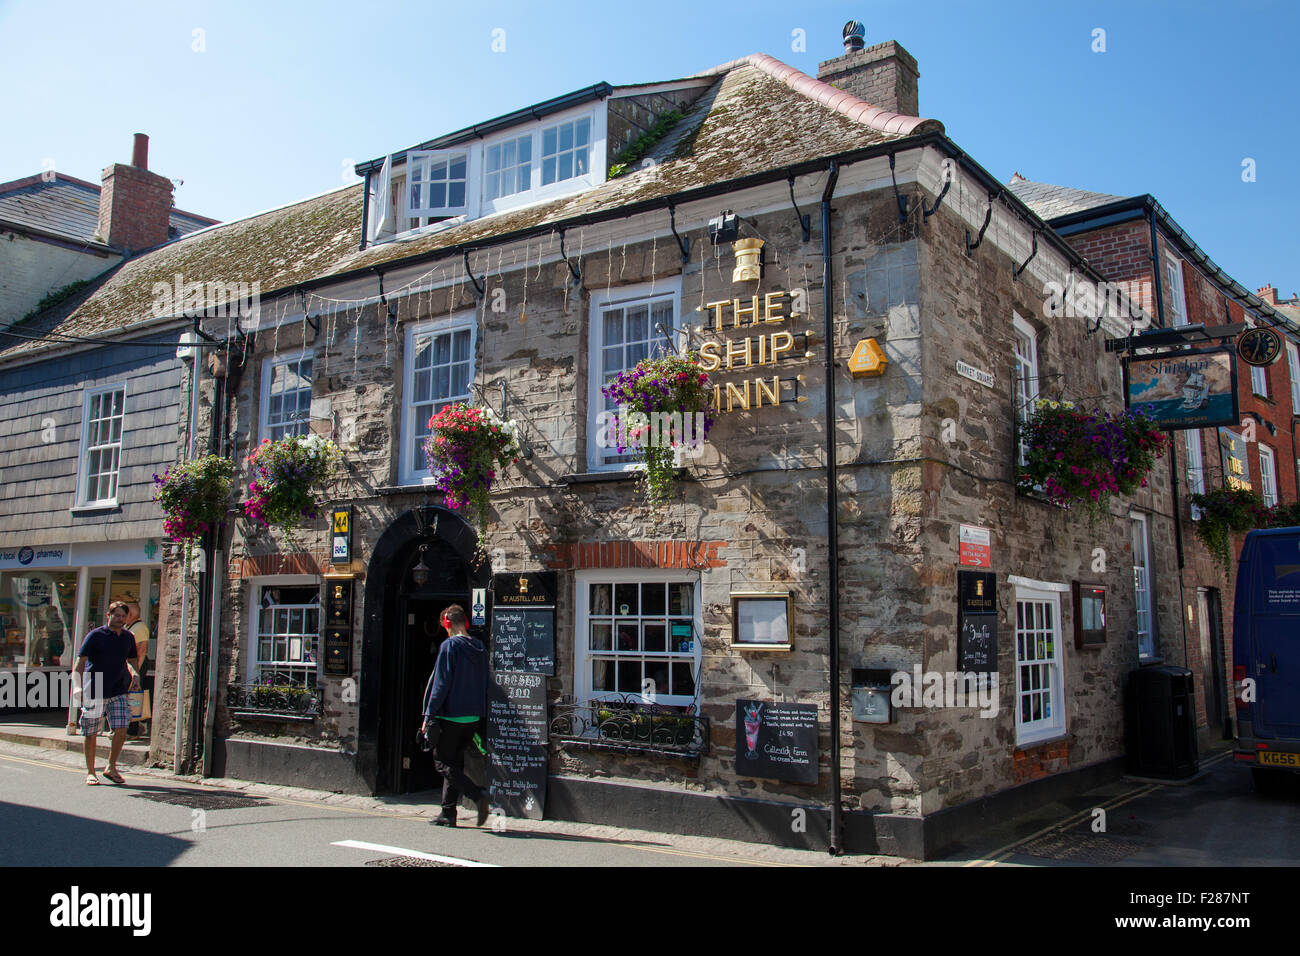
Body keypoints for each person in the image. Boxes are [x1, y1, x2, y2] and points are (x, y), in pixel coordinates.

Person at [422, 603, 490, 827]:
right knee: (454, 764)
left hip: (451, 716)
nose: (445, 630)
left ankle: (478, 795)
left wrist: (429, 715)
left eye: (445, 626)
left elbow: (441, 684)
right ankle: (448, 813)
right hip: (472, 717)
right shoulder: (480, 647)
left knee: (441, 762)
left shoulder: (449, 646)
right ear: (466, 623)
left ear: (447, 624)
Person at [74, 601, 141, 786]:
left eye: (123, 616)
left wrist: (135, 674)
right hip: (95, 688)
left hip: (119, 689)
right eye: (116, 615)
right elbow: (80, 662)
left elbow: (132, 659)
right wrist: (77, 687)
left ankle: (111, 767)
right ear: (108, 615)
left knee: (121, 728)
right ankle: (90, 772)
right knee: (91, 731)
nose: (120, 619)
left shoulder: (128, 637)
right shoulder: (95, 636)